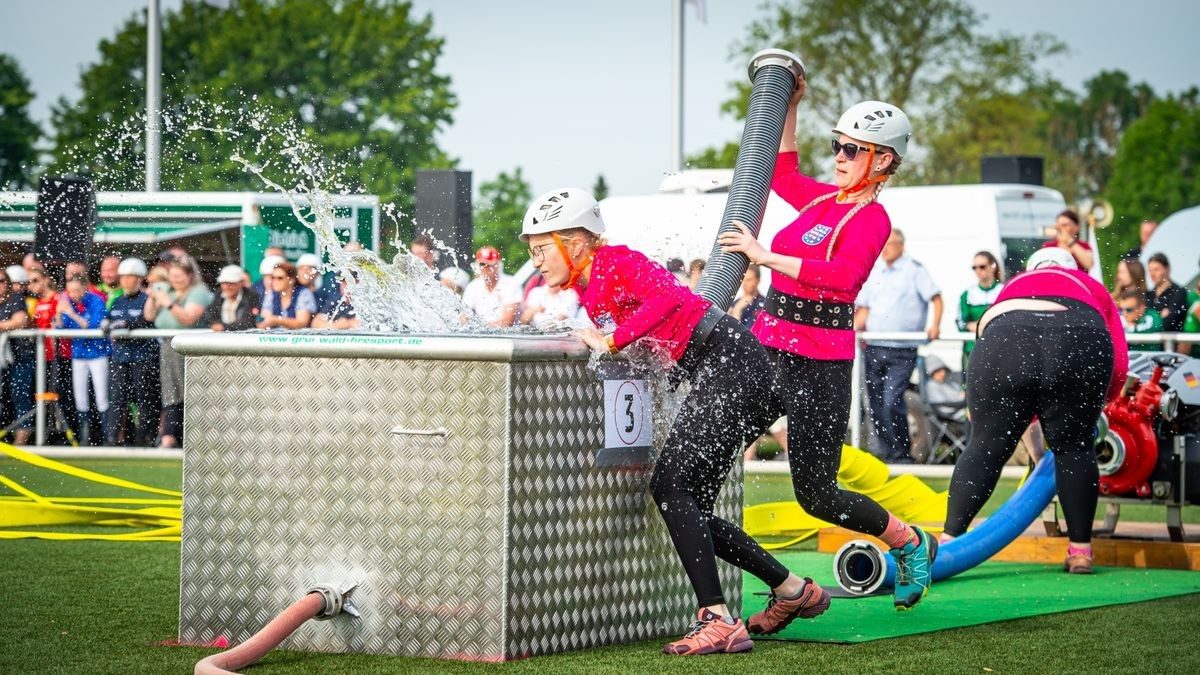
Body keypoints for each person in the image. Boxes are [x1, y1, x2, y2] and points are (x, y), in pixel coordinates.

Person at [526, 186, 829, 656]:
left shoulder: (616, 260)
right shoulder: (588, 283)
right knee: (693, 508)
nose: (537, 261)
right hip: (726, 367)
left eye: (542, 249)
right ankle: (792, 589)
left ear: (577, 243)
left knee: (669, 488)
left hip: (730, 364)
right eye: (532, 252)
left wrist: (612, 340)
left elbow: (667, 299)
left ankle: (717, 618)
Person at [718, 85, 937, 610]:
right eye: (837, 145)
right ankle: (773, 589)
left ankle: (908, 541)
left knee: (816, 496)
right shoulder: (821, 198)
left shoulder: (873, 219)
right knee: (716, 447)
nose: (838, 157)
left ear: (882, 160)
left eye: (851, 149)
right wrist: (789, 103)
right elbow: (781, 172)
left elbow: (841, 280)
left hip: (821, 362)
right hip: (768, 344)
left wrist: (763, 256)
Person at [943, 247, 1128, 574]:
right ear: (1073, 269)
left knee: (986, 446)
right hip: (1080, 333)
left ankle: (948, 540)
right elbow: (1119, 364)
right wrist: (1100, 406)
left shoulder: (1016, 282)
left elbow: (992, 339)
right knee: (1074, 447)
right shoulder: (1090, 285)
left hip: (1007, 334)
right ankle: (1081, 550)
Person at [855, 228, 943, 463]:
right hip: (873, 346)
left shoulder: (914, 270)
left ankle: (901, 453)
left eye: (890, 244)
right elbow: (865, 309)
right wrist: (851, 330)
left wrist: (935, 324)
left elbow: (935, 297)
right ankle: (884, 452)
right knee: (874, 402)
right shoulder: (876, 272)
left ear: (901, 246)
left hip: (902, 348)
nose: (885, 248)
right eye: (883, 244)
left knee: (891, 399)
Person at [146, 257, 213, 448]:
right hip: (169, 349)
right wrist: (153, 298)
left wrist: (167, 302)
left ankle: (181, 436)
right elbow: (149, 316)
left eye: (179, 276)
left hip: (191, 348)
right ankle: (170, 435)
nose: (175, 280)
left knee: (189, 392)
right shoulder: (170, 292)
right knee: (171, 392)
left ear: (190, 276)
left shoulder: (198, 293)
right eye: (172, 276)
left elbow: (188, 318)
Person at [105, 258, 160, 446]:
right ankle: (113, 438)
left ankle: (144, 438)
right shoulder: (117, 301)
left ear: (139, 279)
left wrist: (128, 325)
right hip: (121, 356)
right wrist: (106, 324)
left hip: (143, 357)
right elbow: (109, 319)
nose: (126, 281)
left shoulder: (147, 298)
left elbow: (147, 320)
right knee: (118, 398)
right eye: (124, 277)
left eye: (130, 277)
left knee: (145, 399)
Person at [56, 274, 111, 446]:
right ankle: (84, 438)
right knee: (80, 398)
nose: (73, 294)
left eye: (76, 290)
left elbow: (91, 326)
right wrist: (58, 312)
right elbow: (60, 326)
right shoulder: (68, 302)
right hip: (78, 354)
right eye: (70, 291)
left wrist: (71, 313)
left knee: (101, 397)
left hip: (97, 353)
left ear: (85, 288)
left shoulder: (96, 301)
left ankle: (106, 437)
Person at [0, 269, 34, 444]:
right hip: (2, 359)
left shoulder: (16, 299)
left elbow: (19, 321)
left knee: (20, 397)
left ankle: (21, 441)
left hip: (20, 357)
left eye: (2, 280)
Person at [956, 251, 1003, 371]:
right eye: (974, 267)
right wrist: (974, 325)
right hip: (973, 349)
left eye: (982, 266)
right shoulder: (967, 294)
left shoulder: (1004, 291)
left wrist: (980, 325)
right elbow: (961, 323)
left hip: (999, 348)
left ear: (992, 267)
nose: (978, 270)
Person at [461, 246, 521, 328]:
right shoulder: (473, 286)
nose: (486, 268)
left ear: (498, 265)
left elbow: (508, 321)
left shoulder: (510, 283)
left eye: (490, 264)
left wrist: (479, 328)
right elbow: (463, 316)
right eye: (483, 264)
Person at [204, 265, 261, 332]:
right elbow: (209, 314)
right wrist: (215, 324)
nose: (227, 286)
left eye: (231, 283)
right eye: (224, 283)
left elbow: (248, 323)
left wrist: (224, 327)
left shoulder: (251, 296)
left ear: (241, 283)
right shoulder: (219, 295)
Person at [259, 262, 316, 329]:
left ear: (291, 280)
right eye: (273, 277)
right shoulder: (271, 293)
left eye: (280, 278)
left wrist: (276, 320)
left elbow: (302, 323)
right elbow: (265, 318)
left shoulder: (304, 293)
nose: (275, 281)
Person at [1144, 252, 1188, 332]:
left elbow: (1169, 322)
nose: (1152, 274)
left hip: (1171, 342)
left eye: (1156, 269)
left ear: (1167, 269)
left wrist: (1152, 319)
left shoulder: (1178, 292)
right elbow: (1142, 320)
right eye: (1150, 270)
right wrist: (1160, 316)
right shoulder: (1149, 294)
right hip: (1152, 342)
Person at [728, 264, 765, 330]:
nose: (745, 284)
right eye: (744, 280)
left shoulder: (764, 305)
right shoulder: (734, 304)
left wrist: (737, 310)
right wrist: (737, 310)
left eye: (749, 280)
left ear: (758, 280)